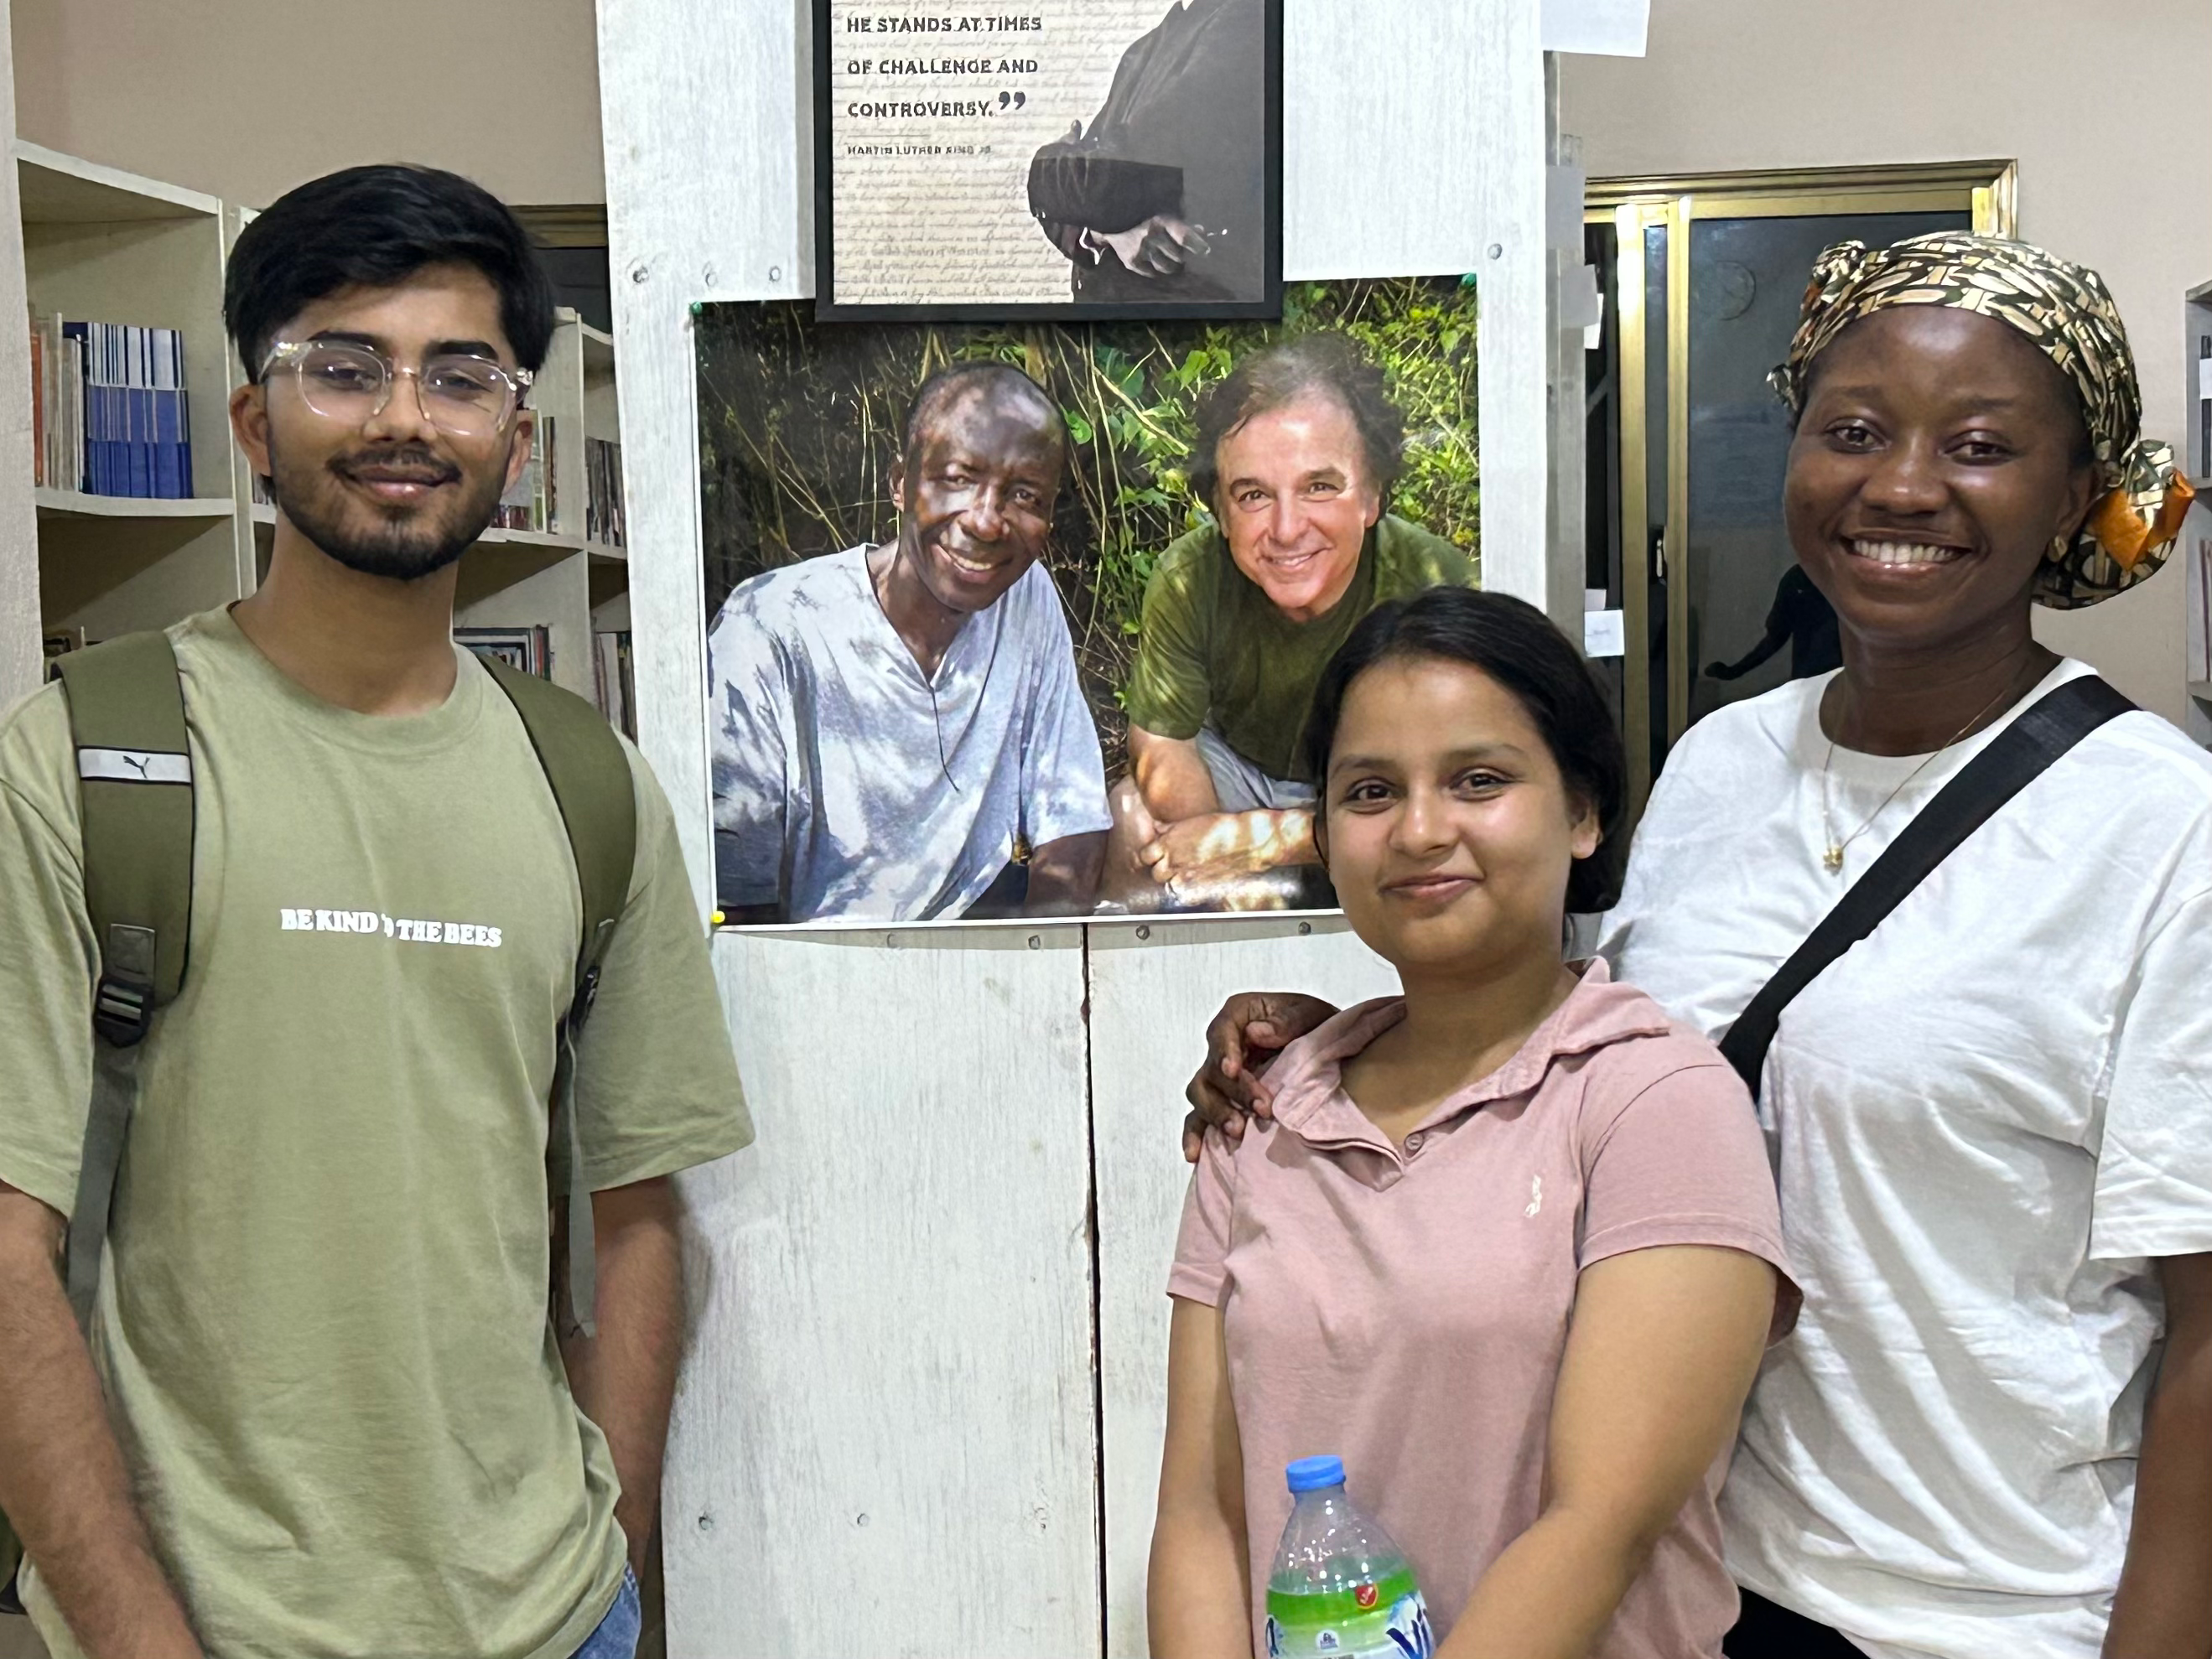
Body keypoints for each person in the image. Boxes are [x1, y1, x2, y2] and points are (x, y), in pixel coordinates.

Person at [1180, 234, 2212, 1659]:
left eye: (1978, 445)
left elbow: (2206, 1336)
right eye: (1850, 430)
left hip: (2001, 1602)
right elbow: (1581, 1056)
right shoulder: (1724, 765)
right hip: (1716, 1577)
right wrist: (1342, 1034)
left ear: (2072, 496)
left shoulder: (2161, 825)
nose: (1901, 484)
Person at [0, 165, 752, 1659]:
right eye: (342, 366)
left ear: (515, 436)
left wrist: (607, 1559)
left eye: (458, 374)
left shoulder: (588, 783)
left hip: (544, 1611)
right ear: (253, 420)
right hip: (204, 1621)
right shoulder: (82, 756)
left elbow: (637, 1204)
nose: (404, 416)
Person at [1149, 586, 1795, 1659]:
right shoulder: (1264, 1109)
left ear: (1581, 811)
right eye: (1368, 790)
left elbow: (1599, 1528)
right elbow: (1200, 1517)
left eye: (1479, 779)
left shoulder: (1652, 1103)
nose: (1418, 829)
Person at [708, 361, 1109, 923]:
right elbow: (735, 902)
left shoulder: (1026, 596)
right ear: (901, 483)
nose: (987, 521)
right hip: (818, 971)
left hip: (978, 960)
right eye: (958, 478)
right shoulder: (772, 624)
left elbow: (1073, 828)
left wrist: (1037, 976)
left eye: (1024, 495)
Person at [1110, 333, 1474, 905]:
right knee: (1131, 813)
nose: (1286, 528)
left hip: (1386, 790)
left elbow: (1459, 788)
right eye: (1253, 495)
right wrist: (1226, 869)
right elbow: (1163, 744)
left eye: (1320, 487)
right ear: (1222, 512)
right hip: (1242, 770)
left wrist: (1270, 840)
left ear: (1372, 496)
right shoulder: (1191, 576)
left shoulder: (1430, 579)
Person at [1026, 0, 1267, 306]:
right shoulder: (1145, 47)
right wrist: (1107, 232)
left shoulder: (1245, 20)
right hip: (1116, 322)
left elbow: (1097, 187)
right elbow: (1084, 199)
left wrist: (1047, 163)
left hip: (1186, 325)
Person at [1703, 563, 1841, 682]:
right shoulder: (1796, 579)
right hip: (1810, 684)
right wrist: (1734, 671)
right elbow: (1775, 638)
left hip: (1837, 684)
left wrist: (1734, 671)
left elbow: (1775, 639)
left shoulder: (1801, 578)